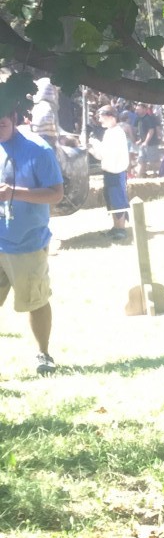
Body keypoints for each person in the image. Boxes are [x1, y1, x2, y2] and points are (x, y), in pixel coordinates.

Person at [0, 84, 64, 375]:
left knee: (35, 301)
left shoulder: (38, 149)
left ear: (14, 119)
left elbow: (55, 194)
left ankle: (43, 354)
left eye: (1, 124)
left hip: (26, 243)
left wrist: (15, 192)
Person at [89, 105, 131, 240]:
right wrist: (92, 147)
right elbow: (102, 155)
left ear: (111, 116)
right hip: (109, 171)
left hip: (116, 171)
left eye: (101, 116)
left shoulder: (117, 132)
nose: (99, 120)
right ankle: (116, 227)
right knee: (111, 200)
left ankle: (121, 229)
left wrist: (94, 143)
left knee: (118, 200)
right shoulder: (109, 132)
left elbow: (105, 153)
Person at [133, 102, 162, 177]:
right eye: (136, 108)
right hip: (143, 143)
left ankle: (160, 173)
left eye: (139, 109)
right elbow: (143, 132)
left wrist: (146, 141)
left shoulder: (149, 118)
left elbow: (151, 131)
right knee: (141, 160)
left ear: (144, 109)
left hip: (151, 143)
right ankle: (140, 176)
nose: (137, 110)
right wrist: (140, 141)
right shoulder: (139, 119)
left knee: (154, 161)